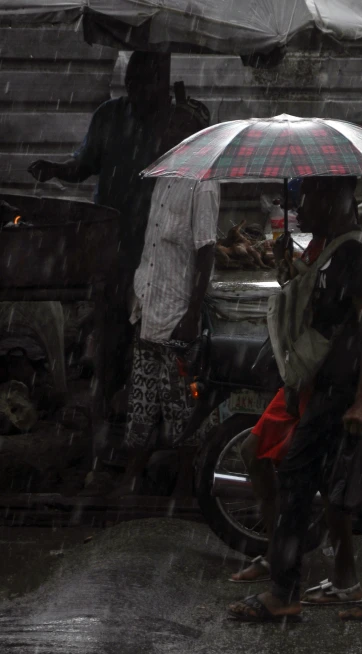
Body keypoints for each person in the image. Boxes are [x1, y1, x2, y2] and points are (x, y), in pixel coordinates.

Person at [229, 176, 362, 622]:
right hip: (329, 389)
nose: (301, 206)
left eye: (310, 197)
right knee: (361, 492)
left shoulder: (354, 251)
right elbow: (324, 310)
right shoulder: (332, 249)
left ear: (336, 199)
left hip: (345, 392)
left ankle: (286, 591)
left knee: (304, 479)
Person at [27, 51, 184, 392]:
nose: (137, 91)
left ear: (162, 85)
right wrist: (56, 170)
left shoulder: (179, 122)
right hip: (113, 243)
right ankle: (110, 397)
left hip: (163, 246)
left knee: (154, 331)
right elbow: (82, 164)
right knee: (112, 326)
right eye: (131, 83)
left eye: (146, 83)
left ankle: (146, 401)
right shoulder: (110, 117)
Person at [106, 110, 220, 499]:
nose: (168, 136)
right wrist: (136, 289)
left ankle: (188, 483)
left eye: (176, 129)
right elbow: (152, 243)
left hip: (176, 313)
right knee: (141, 397)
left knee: (179, 404)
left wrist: (191, 313)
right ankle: (133, 474)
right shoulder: (163, 177)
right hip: (148, 304)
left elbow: (206, 252)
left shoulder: (202, 184)